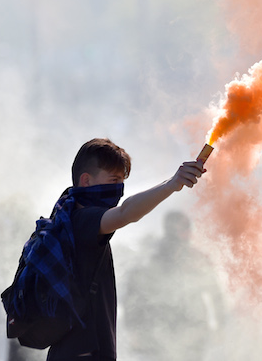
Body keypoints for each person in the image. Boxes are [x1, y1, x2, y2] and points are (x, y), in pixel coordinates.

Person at [46, 138, 205, 361]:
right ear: (86, 181)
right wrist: (173, 183)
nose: (118, 188)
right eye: (114, 180)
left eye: (121, 181)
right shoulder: (81, 221)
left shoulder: (68, 221)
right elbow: (126, 213)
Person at [123, 211, 226, 361]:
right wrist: (133, 328)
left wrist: (220, 325)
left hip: (193, 331)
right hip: (160, 331)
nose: (188, 232)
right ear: (170, 229)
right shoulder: (153, 258)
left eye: (188, 227)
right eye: (183, 227)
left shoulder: (197, 259)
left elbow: (215, 293)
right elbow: (134, 295)